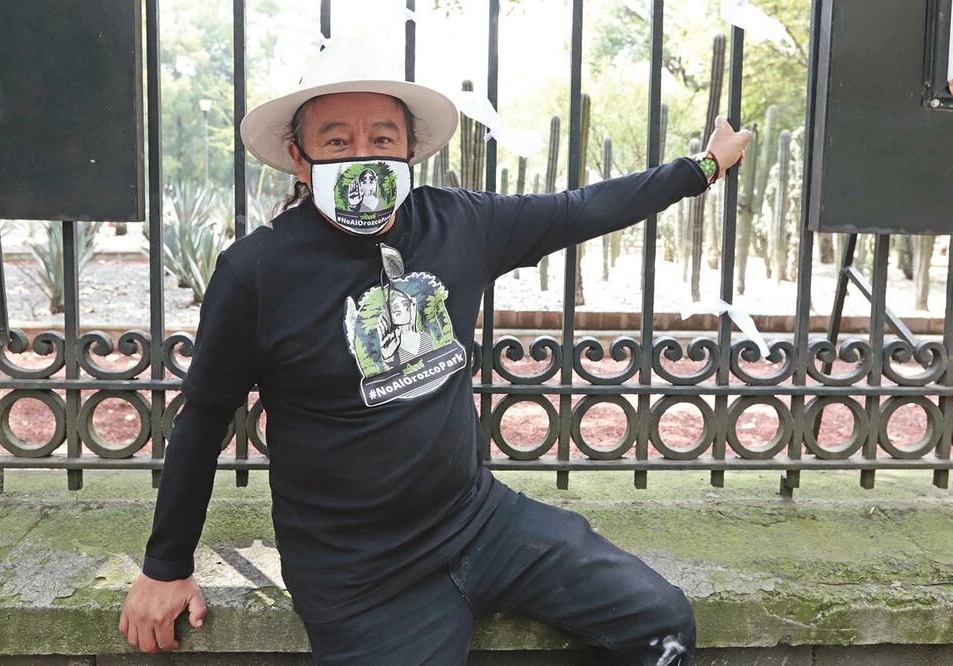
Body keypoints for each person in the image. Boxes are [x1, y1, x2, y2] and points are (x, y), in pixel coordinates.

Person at [119, 44, 750, 664]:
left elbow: (578, 210)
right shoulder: (256, 273)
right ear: (299, 158)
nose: (363, 156)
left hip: (479, 523)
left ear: (410, 149)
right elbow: (201, 420)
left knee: (662, 625)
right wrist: (166, 566)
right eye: (337, 142)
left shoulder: (460, 225)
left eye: (384, 139)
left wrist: (701, 169)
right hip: (360, 575)